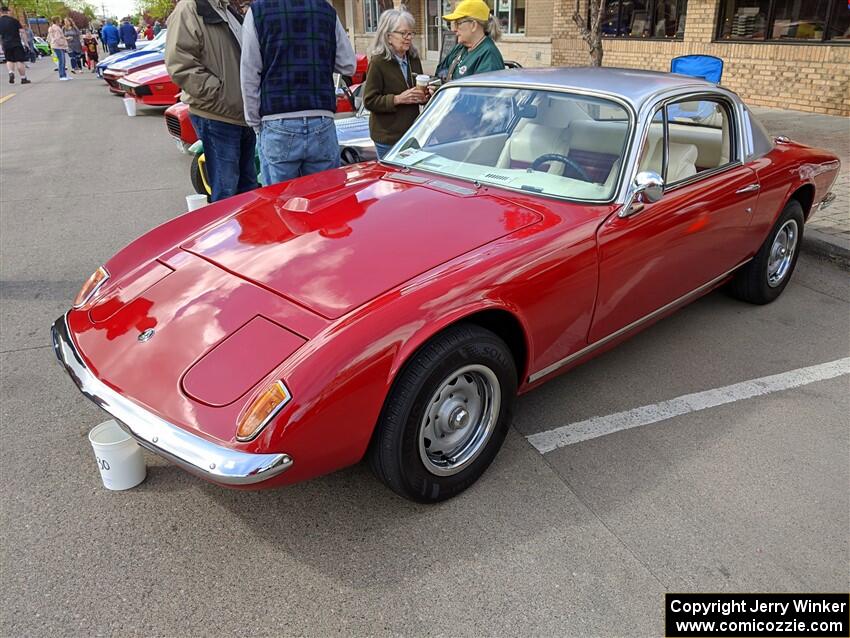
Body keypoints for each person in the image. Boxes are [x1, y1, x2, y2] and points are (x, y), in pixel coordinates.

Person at [240, 0, 356, 185]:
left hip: (276, 119)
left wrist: (254, 121)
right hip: (321, 118)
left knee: (279, 203)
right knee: (323, 201)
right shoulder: (326, 11)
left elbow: (249, 73)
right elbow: (348, 64)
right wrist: (318, 56)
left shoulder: (258, 12)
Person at [166, 0, 259, 202]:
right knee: (226, 191)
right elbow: (180, 64)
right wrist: (220, 93)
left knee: (249, 189)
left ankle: (247, 234)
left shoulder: (227, 9)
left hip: (242, 114)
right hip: (217, 115)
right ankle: (228, 233)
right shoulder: (191, 9)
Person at [362, 9, 425, 160]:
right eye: (403, 33)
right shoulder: (378, 62)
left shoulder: (413, 58)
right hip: (387, 137)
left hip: (411, 134)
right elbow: (369, 101)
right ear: (389, 36)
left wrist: (426, 95)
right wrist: (397, 99)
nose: (408, 38)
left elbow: (418, 94)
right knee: (392, 181)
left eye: (410, 33)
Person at [436, 0, 504, 82]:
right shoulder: (460, 47)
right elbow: (440, 70)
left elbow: (482, 92)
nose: (454, 29)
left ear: (474, 25)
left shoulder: (489, 55)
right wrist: (437, 85)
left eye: (458, 23)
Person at [0, 6, 31, 84]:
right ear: (7, 12)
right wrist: (26, 44)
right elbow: (22, 32)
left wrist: (2, 44)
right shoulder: (14, 20)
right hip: (16, 43)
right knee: (19, 61)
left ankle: (11, 72)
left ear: (1, 12)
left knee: (9, 60)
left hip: (6, 44)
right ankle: (23, 78)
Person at [47, 16, 70, 80]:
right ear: (57, 21)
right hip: (58, 46)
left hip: (56, 46)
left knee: (62, 60)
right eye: (59, 20)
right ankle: (62, 75)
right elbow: (57, 38)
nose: (61, 21)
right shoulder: (56, 28)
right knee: (62, 61)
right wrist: (63, 43)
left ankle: (64, 75)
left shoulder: (53, 27)